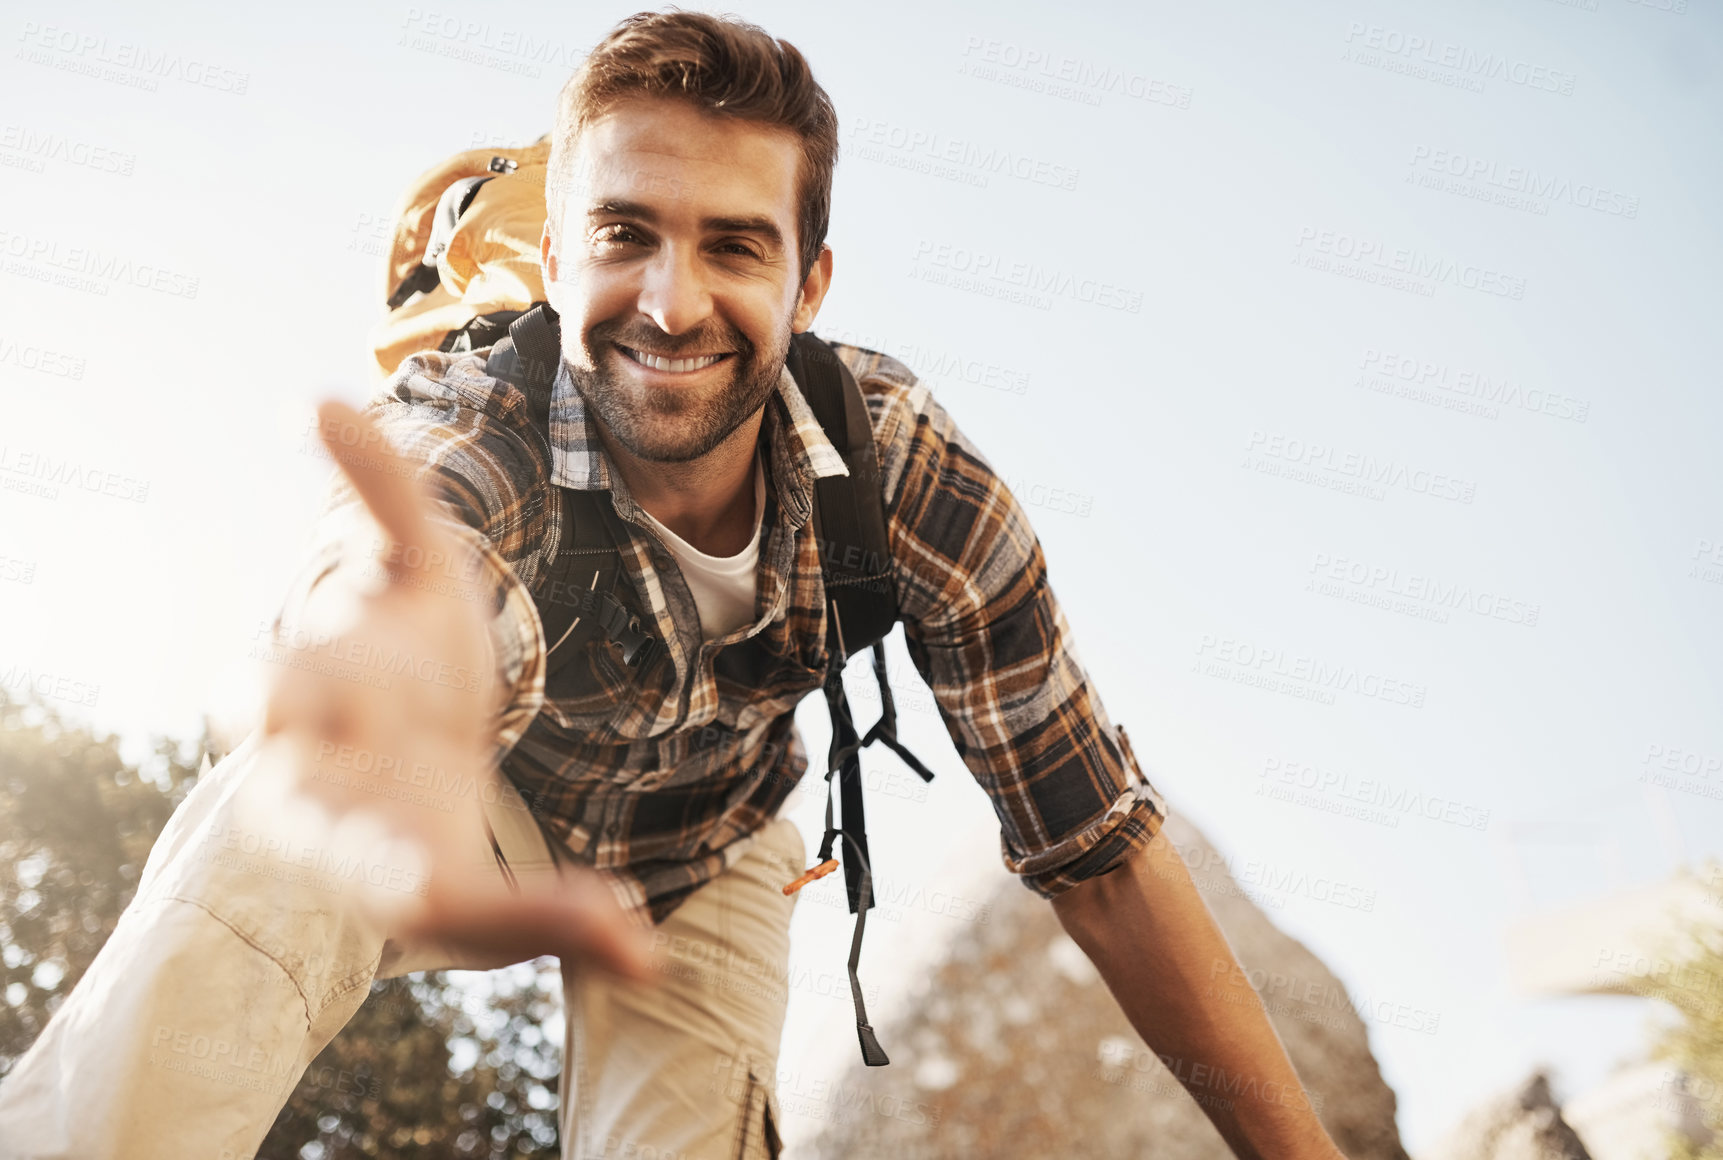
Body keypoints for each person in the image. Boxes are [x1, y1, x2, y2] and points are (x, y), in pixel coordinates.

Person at [0, 10, 1348, 1160]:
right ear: (553, 261)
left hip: (706, 860)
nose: (670, 299)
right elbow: (412, 551)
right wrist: (386, 671)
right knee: (271, 837)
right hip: (484, 796)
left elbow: (1099, 853)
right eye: (626, 234)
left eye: (734, 247)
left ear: (810, 283)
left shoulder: (908, 480)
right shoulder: (490, 420)